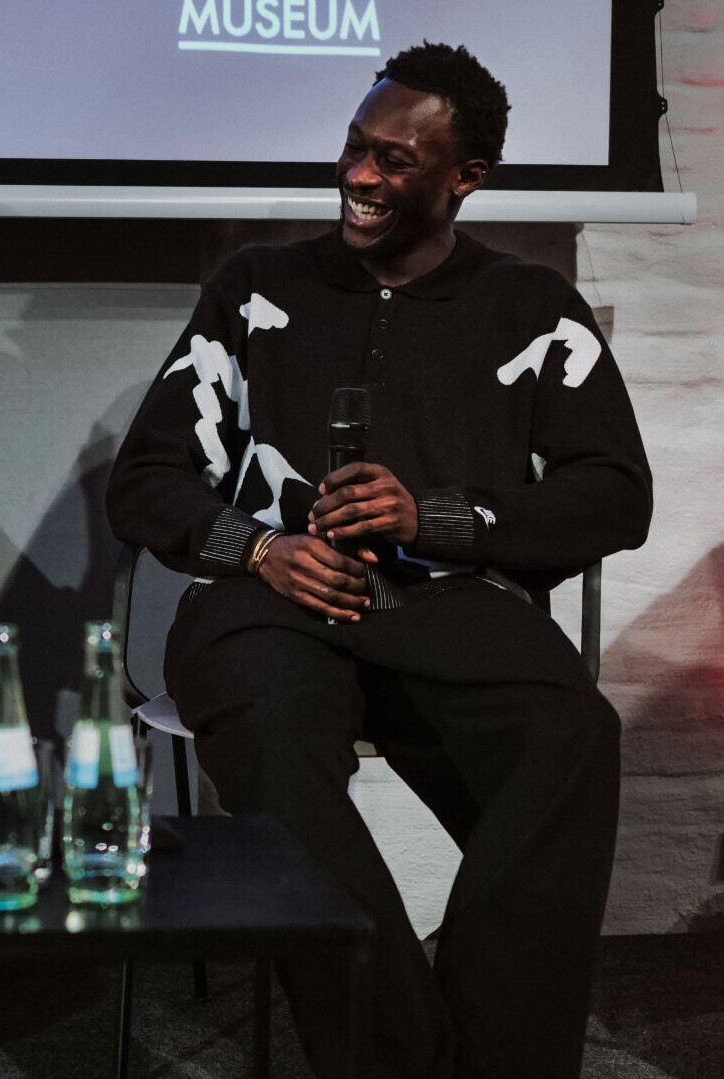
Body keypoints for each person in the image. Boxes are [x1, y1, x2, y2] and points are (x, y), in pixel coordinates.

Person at [107, 42, 651, 1079]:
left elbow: (616, 493)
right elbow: (145, 478)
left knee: (573, 738)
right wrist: (260, 547)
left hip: (451, 612)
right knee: (272, 740)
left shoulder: (530, 307)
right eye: (355, 147)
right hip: (268, 607)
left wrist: (436, 516)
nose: (359, 175)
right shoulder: (256, 287)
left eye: (394, 160)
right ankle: (393, 1058)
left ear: (465, 178)